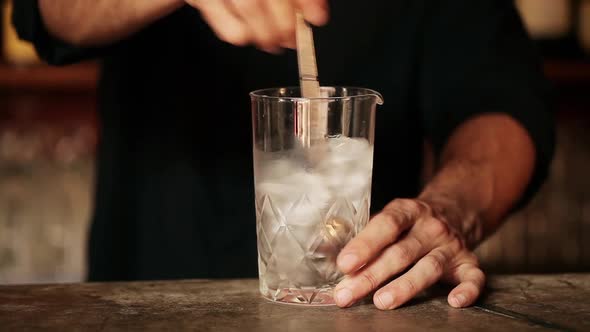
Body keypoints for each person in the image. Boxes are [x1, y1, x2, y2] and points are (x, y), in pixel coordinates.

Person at [13, 0, 554, 310]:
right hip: (142, 300)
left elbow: (500, 99)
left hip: (360, 304)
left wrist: (451, 208)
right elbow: (46, 15)